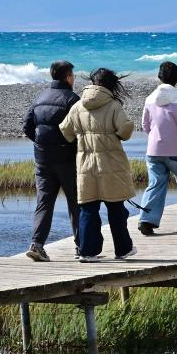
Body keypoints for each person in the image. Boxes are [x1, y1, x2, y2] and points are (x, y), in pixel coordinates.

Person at [59, 68, 136, 262]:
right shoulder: (113, 106)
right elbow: (125, 130)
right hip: (111, 165)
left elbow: (65, 130)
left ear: (92, 82)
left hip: (86, 166)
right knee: (116, 209)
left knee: (88, 209)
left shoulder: (78, 106)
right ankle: (123, 249)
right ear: (111, 85)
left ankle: (87, 251)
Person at [22, 60, 81, 261]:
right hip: (67, 159)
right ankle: (81, 246)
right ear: (68, 77)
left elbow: (27, 126)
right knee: (76, 202)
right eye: (72, 75)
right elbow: (78, 129)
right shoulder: (72, 99)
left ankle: (37, 244)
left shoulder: (40, 97)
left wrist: (41, 143)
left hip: (43, 158)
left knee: (44, 202)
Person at [138, 62, 177, 235]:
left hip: (154, 150)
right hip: (176, 151)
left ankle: (146, 219)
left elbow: (145, 125)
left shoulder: (150, 98)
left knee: (155, 184)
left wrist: (155, 137)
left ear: (159, 77)